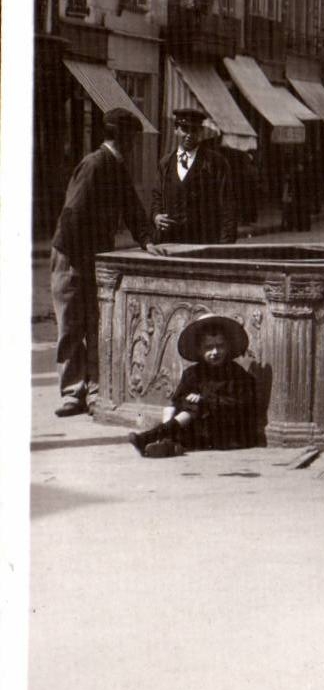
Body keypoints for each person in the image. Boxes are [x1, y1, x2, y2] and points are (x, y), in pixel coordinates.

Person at [51, 108, 155, 417]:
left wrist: (147, 239)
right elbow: (72, 216)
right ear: (123, 137)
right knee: (71, 323)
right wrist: (82, 263)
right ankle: (73, 392)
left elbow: (132, 208)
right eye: (134, 138)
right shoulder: (95, 164)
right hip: (72, 254)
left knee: (97, 322)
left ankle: (95, 389)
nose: (136, 144)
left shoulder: (116, 166)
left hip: (93, 255)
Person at [129, 314, 258, 457]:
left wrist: (206, 400)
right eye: (209, 347)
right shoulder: (192, 373)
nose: (215, 352)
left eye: (220, 346)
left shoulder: (237, 374)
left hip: (227, 432)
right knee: (173, 407)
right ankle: (167, 441)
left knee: (197, 406)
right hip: (197, 428)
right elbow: (177, 401)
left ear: (228, 347)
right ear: (199, 350)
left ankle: (151, 437)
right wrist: (187, 402)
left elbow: (241, 406)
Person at [152, 106, 236, 244]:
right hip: (171, 240)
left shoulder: (215, 163)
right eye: (185, 129)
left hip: (204, 240)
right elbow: (157, 196)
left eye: (194, 130)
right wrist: (156, 216)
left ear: (201, 131)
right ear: (176, 130)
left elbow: (228, 205)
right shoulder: (166, 164)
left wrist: (225, 244)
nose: (189, 134)